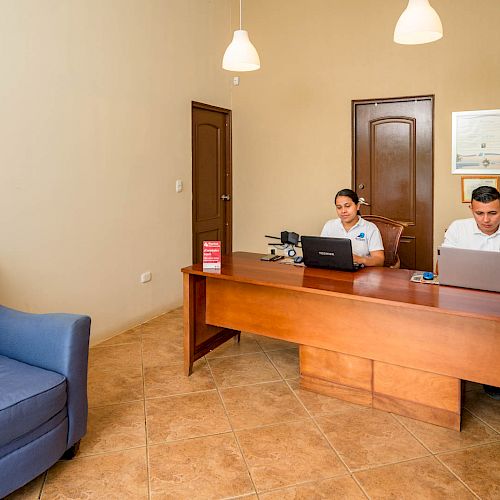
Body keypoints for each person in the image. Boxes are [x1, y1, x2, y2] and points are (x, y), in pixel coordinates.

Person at [442, 185, 500, 400]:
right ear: (471, 210)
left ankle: (492, 377)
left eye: (493, 213)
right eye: (479, 213)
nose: (486, 220)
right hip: (464, 296)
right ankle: (456, 373)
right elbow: (443, 265)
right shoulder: (459, 228)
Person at [321, 188, 385, 267]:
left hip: (362, 273)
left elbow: (379, 260)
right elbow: (322, 253)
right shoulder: (329, 226)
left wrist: (360, 259)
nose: (343, 211)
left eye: (347, 206)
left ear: (357, 206)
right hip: (334, 270)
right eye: (339, 207)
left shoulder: (370, 228)